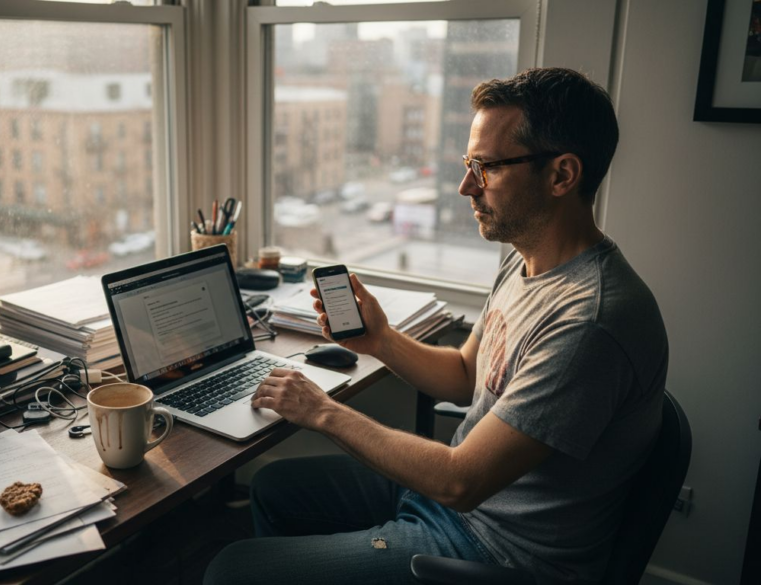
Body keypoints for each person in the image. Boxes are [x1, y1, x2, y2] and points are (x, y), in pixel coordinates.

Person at [204, 67, 668, 584]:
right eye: (470, 164)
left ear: (561, 175)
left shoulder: (590, 323)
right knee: (273, 488)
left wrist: (321, 411)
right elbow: (467, 374)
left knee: (230, 571)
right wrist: (380, 340)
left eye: (486, 168)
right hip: (459, 505)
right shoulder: (527, 262)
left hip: (496, 549)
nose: (466, 186)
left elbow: (460, 482)